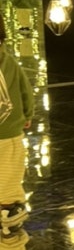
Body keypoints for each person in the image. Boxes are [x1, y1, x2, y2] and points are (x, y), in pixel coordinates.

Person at [0, 15, 33, 237]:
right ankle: (10, 211)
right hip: (10, 132)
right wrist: (27, 114)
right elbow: (25, 90)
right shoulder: (8, 61)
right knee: (10, 176)